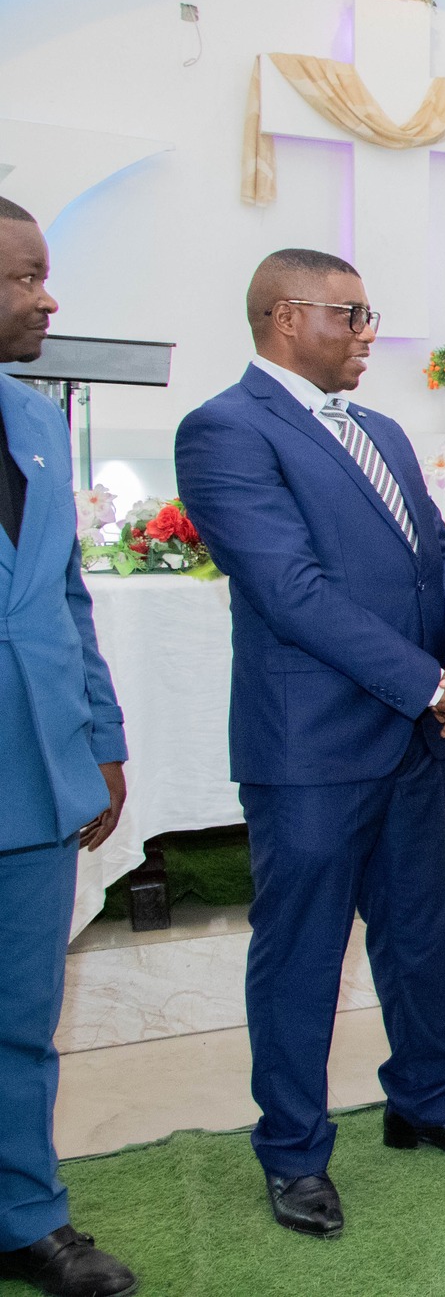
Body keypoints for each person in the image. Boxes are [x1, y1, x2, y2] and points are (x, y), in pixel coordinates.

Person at [175, 249, 445, 1240]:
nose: (369, 334)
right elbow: (291, 591)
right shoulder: (226, 428)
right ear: (287, 317)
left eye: (369, 315)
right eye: (352, 315)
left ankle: (427, 1099)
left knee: (418, 935)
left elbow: (441, 556)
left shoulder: (380, 431)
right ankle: (294, 1151)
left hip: (411, 740)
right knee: (303, 955)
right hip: (313, 749)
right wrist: (426, 682)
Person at [0, 198, 138, 1297]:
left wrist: (101, 734)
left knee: (20, 1017)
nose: (49, 298)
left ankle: (26, 1214)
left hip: (37, 768)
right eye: (25, 276)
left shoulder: (35, 420)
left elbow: (63, 597)